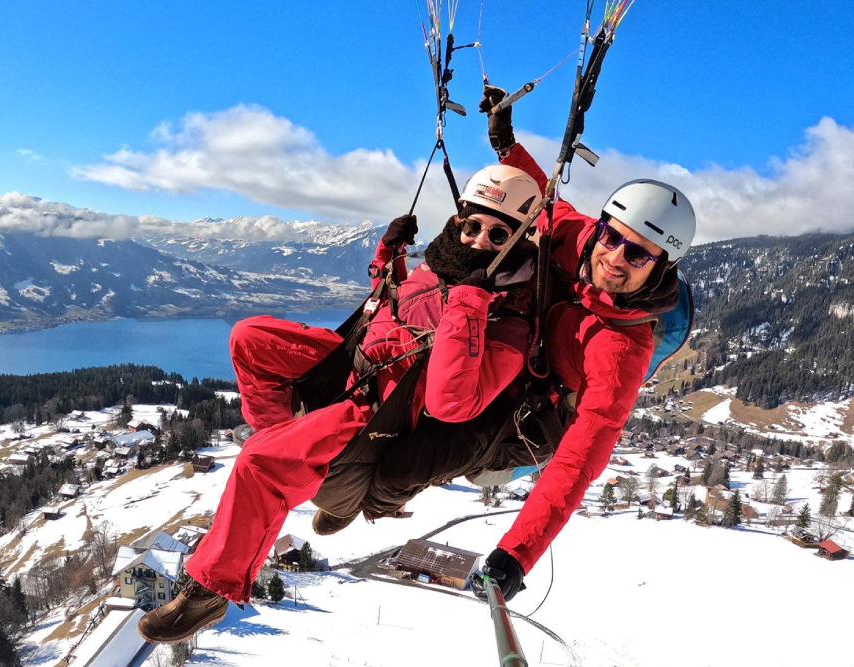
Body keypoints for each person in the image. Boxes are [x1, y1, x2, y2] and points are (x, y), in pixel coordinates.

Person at [317, 84, 698, 606]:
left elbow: (581, 459)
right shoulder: (577, 235)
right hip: (506, 357)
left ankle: (372, 502)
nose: (614, 257)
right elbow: (541, 196)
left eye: (638, 255)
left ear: (662, 266)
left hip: (530, 419)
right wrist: (506, 143)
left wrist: (517, 554)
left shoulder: (622, 350)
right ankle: (347, 485)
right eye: (613, 237)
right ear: (601, 227)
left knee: (408, 463)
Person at [136, 165, 544, 644]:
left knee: (258, 463)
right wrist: (388, 260)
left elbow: (452, 401)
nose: (478, 241)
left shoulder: (508, 319)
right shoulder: (444, 265)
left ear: (520, 240)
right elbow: (399, 304)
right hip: (352, 360)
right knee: (249, 337)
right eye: (472, 225)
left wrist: (473, 301)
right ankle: (288, 444)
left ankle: (211, 589)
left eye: (497, 234)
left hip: (376, 410)